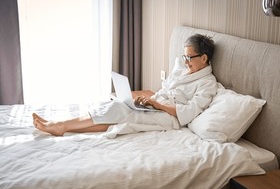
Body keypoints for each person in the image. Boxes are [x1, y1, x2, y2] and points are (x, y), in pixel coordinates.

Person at [33, 34, 217, 138]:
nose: (185, 62)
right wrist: (150, 100)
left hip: (170, 119)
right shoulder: (184, 71)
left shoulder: (207, 84)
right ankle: (62, 127)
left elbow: (190, 112)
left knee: (120, 112)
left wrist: (158, 105)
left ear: (204, 58)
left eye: (189, 58)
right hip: (157, 107)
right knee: (118, 108)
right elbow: (165, 89)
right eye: (184, 57)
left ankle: (60, 125)